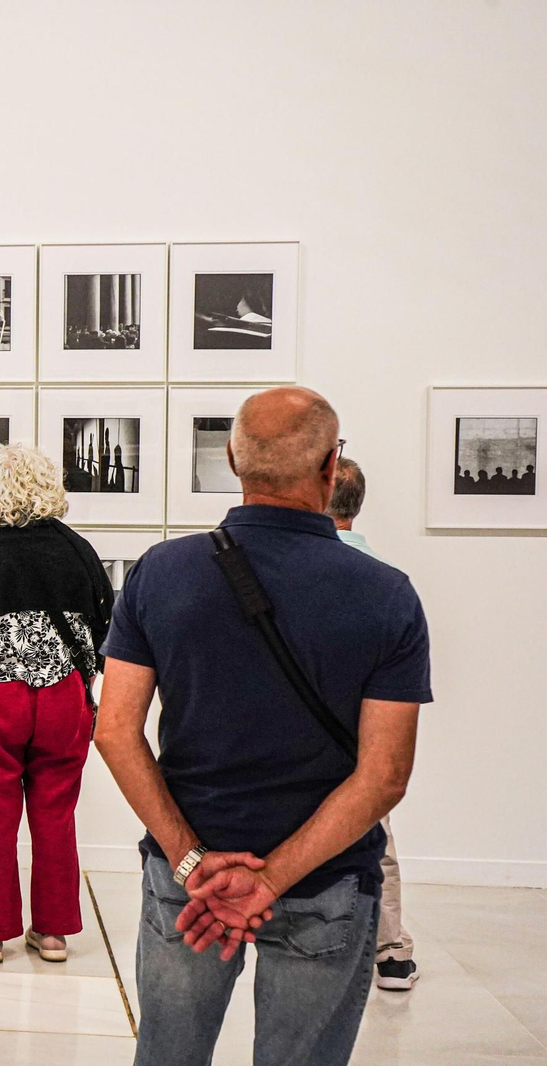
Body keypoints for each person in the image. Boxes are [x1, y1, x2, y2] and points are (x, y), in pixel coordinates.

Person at [93, 387, 431, 1065]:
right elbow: (384, 776)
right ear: (332, 469)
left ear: (231, 460)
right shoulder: (387, 595)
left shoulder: (162, 573)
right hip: (325, 881)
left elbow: (114, 731)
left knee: (168, 1056)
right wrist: (269, 880)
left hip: (186, 878)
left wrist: (192, 860)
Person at [0, 444, 114, 965]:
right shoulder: (78, 551)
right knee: (56, 812)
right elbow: (107, 635)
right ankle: (53, 934)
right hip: (63, 699)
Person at [326, 457, 418, 992]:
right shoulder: (384, 580)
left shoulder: (298, 570)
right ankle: (391, 950)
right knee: (376, 838)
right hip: (361, 733)